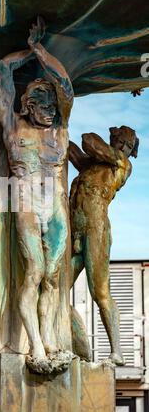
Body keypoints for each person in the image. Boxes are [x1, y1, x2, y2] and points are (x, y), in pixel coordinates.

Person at [0, 17, 74, 372]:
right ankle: (37, 347)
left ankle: (50, 338)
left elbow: (67, 88)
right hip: (27, 203)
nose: (50, 109)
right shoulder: (14, 126)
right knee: (34, 273)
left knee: (53, 278)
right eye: (42, 103)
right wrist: (25, 52)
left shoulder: (60, 130)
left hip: (55, 208)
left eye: (52, 106)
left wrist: (42, 51)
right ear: (27, 105)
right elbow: (1, 71)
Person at [69, 126, 139, 365]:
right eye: (119, 141)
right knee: (55, 289)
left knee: (100, 292)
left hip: (96, 228)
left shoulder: (120, 163)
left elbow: (88, 140)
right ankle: (72, 344)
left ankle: (117, 351)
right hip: (76, 228)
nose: (122, 147)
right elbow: (73, 152)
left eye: (127, 145)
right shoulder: (92, 165)